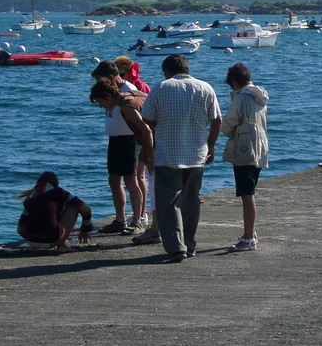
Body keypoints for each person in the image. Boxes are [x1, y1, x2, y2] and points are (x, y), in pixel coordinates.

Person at [140, 54, 222, 262]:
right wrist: (211, 144)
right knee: (191, 201)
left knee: (168, 204)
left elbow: (146, 120)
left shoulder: (161, 87)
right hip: (196, 155)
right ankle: (190, 244)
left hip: (168, 154)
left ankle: (177, 247)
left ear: (167, 71)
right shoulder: (206, 88)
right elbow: (217, 119)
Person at [89, 61, 147, 233]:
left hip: (129, 138)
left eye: (101, 80)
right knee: (114, 179)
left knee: (131, 180)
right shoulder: (108, 92)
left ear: (111, 78)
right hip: (115, 138)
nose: (99, 84)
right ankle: (120, 219)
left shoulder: (127, 90)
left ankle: (137, 220)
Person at [220, 62, 270, 252]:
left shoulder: (240, 98)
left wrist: (217, 126)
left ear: (234, 83)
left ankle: (248, 238)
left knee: (247, 194)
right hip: (260, 147)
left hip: (244, 149)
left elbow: (229, 123)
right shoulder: (260, 96)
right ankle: (251, 233)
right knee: (251, 190)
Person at [17, 171, 94, 253]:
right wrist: (85, 230)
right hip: (52, 240)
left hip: (31, 242)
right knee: (73, 206)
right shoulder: (60, 193)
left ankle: (35, 246)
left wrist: (32, 238)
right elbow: (86, 209)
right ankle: (61, 245)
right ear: (56, 183)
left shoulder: (31, 196)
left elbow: (20, 228)